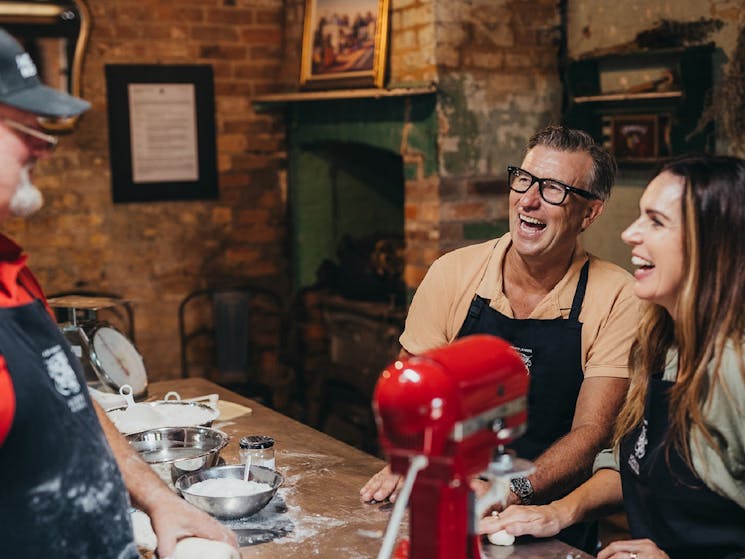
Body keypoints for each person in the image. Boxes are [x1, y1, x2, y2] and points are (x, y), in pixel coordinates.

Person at [0, 29, 238, 557]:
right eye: (25, 128)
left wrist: (158, 500)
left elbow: (73, 402)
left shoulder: (14, 270)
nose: (45, 147)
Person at [361, 125, 640, 552]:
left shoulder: (618, 296)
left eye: (553, 189)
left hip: (547, 521)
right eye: (524, 179)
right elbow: (412, 396)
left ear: (590, 213)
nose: (528, 199)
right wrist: (412, 459)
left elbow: (592, 432)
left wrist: (509, 491)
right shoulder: (453, 273)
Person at [479, 155, 745, 559]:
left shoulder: (735, 368)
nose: (629, 234)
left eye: (656, 221)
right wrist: (555, 513)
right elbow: (628, 461)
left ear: (712, 243)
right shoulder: (661, 342)